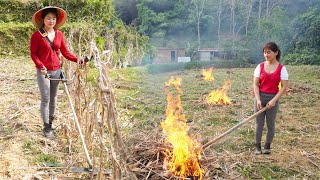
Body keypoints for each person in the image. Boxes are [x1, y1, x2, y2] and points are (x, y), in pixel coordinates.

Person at [30, 6, 83, 138]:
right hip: (44, 72)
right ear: (43, 19)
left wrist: (78, 60)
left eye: (53, 18)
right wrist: (40, 66)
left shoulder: (59, 34)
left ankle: (51, 123)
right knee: (46, 98)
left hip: (56, 70)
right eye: (48, 18)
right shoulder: (37, 35)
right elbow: (34, 54)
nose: (51, 21)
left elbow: (65, 52)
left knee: (53, 98)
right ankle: (46, 127)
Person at [253, 42, 288, 154]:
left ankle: (267, 146)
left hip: (273, 98)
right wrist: (258, 99)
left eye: (269, 52)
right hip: (260, 97)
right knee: (259, 123)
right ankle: (257, 147)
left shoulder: (282, 69)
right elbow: (255, 85)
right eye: (264, 52)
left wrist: (274, 100)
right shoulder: (260, 66)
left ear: (276, 52)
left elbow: (284, 87)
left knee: (270, 124)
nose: (266, 55)